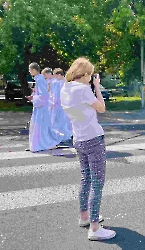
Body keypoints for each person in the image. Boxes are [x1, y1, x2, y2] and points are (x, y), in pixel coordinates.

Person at [60, 57, 116, 241]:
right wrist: (97, 87)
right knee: (98, 182)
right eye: (90, 75)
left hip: (79, 139)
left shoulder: (65, 88)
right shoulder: (83, 89)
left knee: (86, 179)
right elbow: (101, 108)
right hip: (93, 138)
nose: (91, 78)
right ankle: (94, 228)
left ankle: (84, 216)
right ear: (83, 74)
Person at [26, 63, 64, 152]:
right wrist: (33, 95)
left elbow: (44, 95)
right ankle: (38, 144)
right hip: (40, 106)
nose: (29, 71)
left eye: (30, 69)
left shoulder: (39, 79)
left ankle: (44, 144)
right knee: (39, 126)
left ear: (34, 70)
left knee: (40, 126)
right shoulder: (39, 79)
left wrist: (34, 98)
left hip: (41, 107)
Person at [49, 68, 73, 142]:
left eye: (55, 76)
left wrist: (53, 103)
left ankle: (64, 136)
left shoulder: (60, 83)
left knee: (61, 120)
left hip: (60, 105)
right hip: (62, 104)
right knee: (62, 121)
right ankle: (64, 135)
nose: (55, 78)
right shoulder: (62, 82)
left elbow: (57, 95)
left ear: (59, 75)